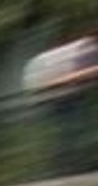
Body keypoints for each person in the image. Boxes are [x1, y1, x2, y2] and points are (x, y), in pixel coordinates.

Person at [22, 30, 98, 176]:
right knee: (71, 130)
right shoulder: (88, 50)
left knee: (71, 130)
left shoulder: (86, 49)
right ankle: (65, 166)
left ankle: (68, 164)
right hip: (60, 95)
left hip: (62, 93)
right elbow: (76, 76)